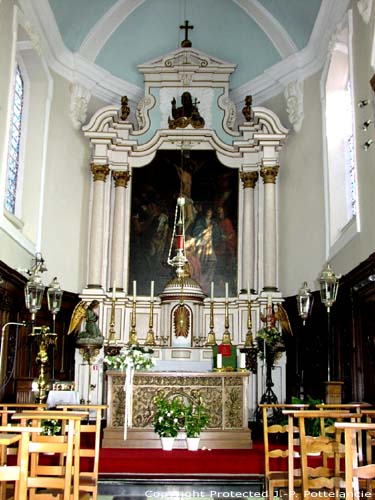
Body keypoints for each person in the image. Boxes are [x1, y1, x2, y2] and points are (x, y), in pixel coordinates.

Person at [191, 207, 220, 294]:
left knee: (212, 261)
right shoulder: (200, 221)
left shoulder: (214, 223)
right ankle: (197, 280)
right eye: (207, 211)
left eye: (210, 211)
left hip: (209, 245)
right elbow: (196, 231)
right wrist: (204, 233)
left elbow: (217, 234)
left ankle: (207, 280)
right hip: (201, 245)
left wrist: (211, 233)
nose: (209, 213)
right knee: (199, 261)